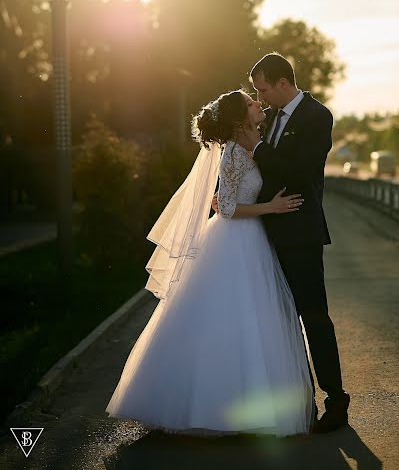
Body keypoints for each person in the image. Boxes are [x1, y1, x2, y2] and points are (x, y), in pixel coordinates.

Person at [105, 89, 315, 437]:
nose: (258, 104)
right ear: (238, 119)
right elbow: (228, 207)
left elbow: (227, 199)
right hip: (235, 241)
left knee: (251, 321)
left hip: (251, 239)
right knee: (229, 319)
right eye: (251, 102)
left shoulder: (248, 147)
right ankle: (211, 408)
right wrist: (270, 208)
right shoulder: (234, 153)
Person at [221, 52, 350, 433]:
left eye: (262, 89)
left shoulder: (316, 116)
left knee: (314, 316)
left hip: (301, 233)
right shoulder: (270, 116)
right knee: (278, 321)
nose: (258, 98)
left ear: (282, 83)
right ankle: (297, 399)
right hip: (264, 236)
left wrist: (255, 149)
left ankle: (336, 400)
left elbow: (299, 170)